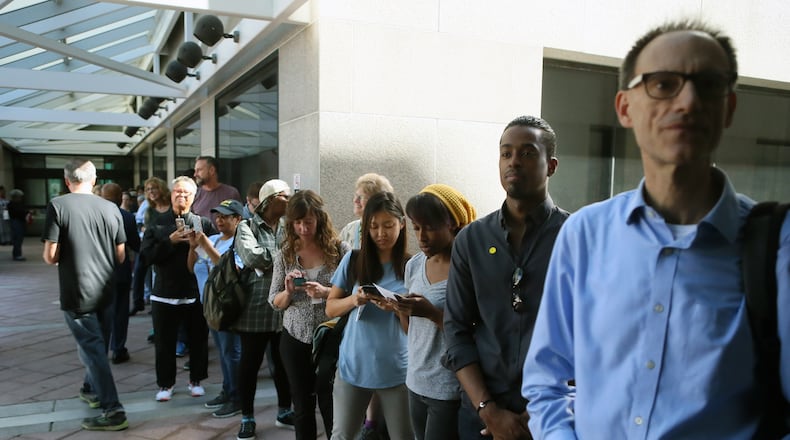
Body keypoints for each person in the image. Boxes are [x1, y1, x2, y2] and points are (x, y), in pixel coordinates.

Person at [522, 20, 790, 439]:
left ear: (729, 108)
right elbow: (545, 380)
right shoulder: (585, 234)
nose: (687, 101)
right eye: (663, 84)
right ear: (625, 107)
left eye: (708, 84)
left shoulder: (775, 245)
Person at [443, 115, 568, 440]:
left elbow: (592, 333)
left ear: (551, 165)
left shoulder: (575, 237)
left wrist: (544, 411)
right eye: (506, 153)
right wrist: (489, 411)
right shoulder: (471, 240)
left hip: (552, 417)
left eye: (527, 153)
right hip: (482, 417)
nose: (513, 161)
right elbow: (456, 329)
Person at [41, 158, 129, 431]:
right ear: (94, 180)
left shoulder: (58, 205)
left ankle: (113, 410)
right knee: (97, 345)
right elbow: (121, 255)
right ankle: (90, 389)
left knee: (93, 351)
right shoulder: (110, 207)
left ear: (67, 181)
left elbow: (50, 256)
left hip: (77, 291)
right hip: (106, 288)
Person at [326, 191, 414, 440]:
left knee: (404, 436)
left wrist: (398, 310)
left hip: (397, 368)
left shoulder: (412, 266)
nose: (381, 233)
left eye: (388, 225)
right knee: (342, 435)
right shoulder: (354, 260)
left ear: (402, 224)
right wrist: (355, 299)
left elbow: (414, 331)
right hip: (353, 364)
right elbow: (330, 307)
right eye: (373, 226)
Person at [395, 184, 476, 440]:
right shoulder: (415, 265)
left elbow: (474, 333)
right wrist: (400, 309)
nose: (421, 237)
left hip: (448, 388)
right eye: (416, 227)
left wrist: (431, 313)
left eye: (429, 227)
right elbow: (411, 331)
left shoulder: (468, 269)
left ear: (452, 223)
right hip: (415, 380)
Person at [269, 190, 351, 439]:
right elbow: (274, 301)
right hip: (295, 335)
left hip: (331, 334)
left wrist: (327, 292)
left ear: (320, 219)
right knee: (302, 404)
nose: (303, 228)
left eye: (308, 222)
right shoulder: (285, 254)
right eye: (297, 223)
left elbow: (352, 294)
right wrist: (289, 291)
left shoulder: (339, 250)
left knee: (330, 399)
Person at [140, 176, 216, 402]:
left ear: (194, 197)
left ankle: (196, 380)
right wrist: (170, 241)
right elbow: (146, 257)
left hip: (195, 292)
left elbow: (213, 258)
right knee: (164, 343)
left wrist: (198, 245)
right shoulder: (157, 222)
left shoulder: (204, 223)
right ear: (171, 194)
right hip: (164, 292)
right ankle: (166, 383)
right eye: (177, 192)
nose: (181, 196)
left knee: (198, 339)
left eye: (186, 193)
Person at [233, 179, 295, 440]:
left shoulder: (289, 227)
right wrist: (283, 259)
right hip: (255, 308)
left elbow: (297, 255)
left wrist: (271, 262)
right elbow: (252, 257)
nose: (290, 200)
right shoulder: (246, 226)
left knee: (283, 364)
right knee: (250, 364)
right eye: (286, 196)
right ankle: (247, 416)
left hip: (284, 307)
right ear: (270, 200)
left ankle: (284, 410)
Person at [187, 199, 245, 418]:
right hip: (209, 304)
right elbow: (192, 268)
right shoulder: (211, 238)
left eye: (225, 216)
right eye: (217, 216)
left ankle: (237, 397)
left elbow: (230, 270)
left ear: (238, 219)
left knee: (232, 352)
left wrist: (206, 246)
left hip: (228, 306)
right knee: (223, 352)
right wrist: (193, 247)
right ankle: (227, 390)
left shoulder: (240, 243)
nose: (219, 220)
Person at [101, 183, 141, 364]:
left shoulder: (92, 217)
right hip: (120, 272)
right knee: (119, 312)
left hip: (97, 274)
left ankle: (100, 349)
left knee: (100, 313)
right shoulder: (126, 217)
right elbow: (135, 244)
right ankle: (118, 348)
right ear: (119, 198)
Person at [130, 177, 171, 316]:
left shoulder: (171, 205)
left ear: (161, 189)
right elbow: (140, 222)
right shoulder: (148, 208)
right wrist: (142, 228)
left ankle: (155, 304)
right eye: (148, 189)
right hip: (149, 246)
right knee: (139, 271)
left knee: (156, 275)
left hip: (165, 246)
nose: (151, 192)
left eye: (154, 188)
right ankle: (137, 302)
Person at [339, 173, 394, 249]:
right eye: (356, 195)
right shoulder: (349, 230)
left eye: (361, 197)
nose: (355, 200)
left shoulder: (388, 231)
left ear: (376, 201)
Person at [192, 155, 242, 224]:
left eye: (199, 170)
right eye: (195, 170)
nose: (195, 174)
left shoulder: (231, 193)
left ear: (212, 170)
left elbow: (239, 221)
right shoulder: (194, 194)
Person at [8, 188, 28, 261]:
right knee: (17, 239)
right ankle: (17, 254)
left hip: (19, 222)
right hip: (16, 222)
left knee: (19, 239)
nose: (20, 198)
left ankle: (17, 254)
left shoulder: (18, 204)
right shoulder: (12, 204)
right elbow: (19, 212)